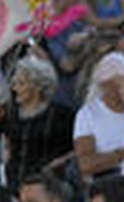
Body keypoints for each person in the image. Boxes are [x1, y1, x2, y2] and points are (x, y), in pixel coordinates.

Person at [5, 51, 77, 185]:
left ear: (37, 86)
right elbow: (8, 148)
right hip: (15, 185)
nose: (15, 89)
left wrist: (59, 164)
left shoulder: (62, 115)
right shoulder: (12, 115)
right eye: (14, 83)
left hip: (51, 185)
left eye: (21, 83)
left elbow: (77, 149)